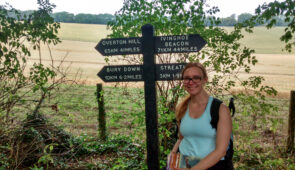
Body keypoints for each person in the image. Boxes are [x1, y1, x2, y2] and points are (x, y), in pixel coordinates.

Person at [171, 62, 232, 170]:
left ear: (205, 79)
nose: (191, 82)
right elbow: (181, 138)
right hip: (183, 164)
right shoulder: (182, 107)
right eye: (187, 78)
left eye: (196, 78)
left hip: (212, 165)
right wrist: (172, 155)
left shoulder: (220, 109)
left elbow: (221, 151)